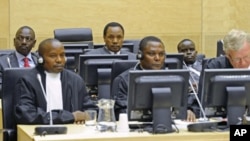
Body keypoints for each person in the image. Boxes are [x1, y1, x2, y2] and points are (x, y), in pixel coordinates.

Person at [112, 36, 196, 122]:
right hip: (136, 128)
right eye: (151, 54)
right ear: (140, 55)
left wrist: (188, 110)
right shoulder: (124, 79)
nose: (157, 58)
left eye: (161, 54)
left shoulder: (173, 77)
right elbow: (121, 112)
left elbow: (186, 102)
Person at [15, 38, 97, 124]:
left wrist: (86, 116)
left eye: (62, 55)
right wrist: (71, 117)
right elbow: (26, 115)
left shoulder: (75, 80)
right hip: (41, 132)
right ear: (40, 59)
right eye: (53, 56)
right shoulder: (27, 81)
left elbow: (91, 109)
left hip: (73, 132)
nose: (59, 60)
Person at [198, 29, 250, 117]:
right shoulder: (214, 67)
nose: (243, 63)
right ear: (227, 55)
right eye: (237, 59)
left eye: (247, 57)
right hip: (223, 119)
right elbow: (203, 101)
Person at [0, 26, 38, 96]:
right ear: (14, 41)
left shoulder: (41, 61)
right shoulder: (2, 62)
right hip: (14, 103)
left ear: (34, 43)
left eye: (28, 39)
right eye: (20, 38)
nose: (24, 42)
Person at [177, 39, 202, 117]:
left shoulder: (206, 67)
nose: (188, 52)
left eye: (191, 49)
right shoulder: (176, 69)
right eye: (184, 50)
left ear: (196, 52)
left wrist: (200, 86)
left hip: (202, 102)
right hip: (185, 104)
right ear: (179, 54)